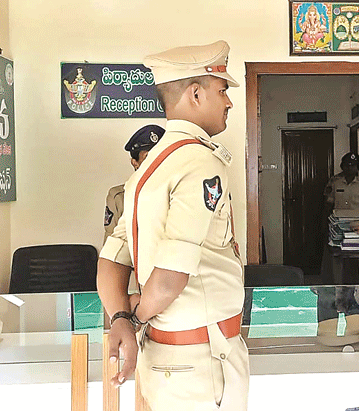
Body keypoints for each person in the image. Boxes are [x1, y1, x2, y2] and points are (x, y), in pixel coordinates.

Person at [97, 40, 248, 411]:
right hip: (201, 364)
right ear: (195, 94)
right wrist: (134, 317)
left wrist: (120, 317)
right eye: (222, 90)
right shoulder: (200, 161)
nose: (229, 102)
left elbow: (112, 259)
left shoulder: (150, 165)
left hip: (168, 359)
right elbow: (169, 278)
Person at [104, 124, 164, 242]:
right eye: (148, 157)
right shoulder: (119, 197)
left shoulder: (182, 191)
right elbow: (111, 243)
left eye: (161, 155)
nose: (156, 162)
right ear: (135, 163)